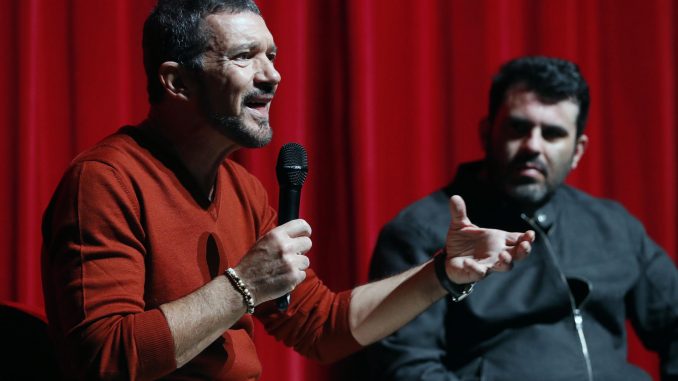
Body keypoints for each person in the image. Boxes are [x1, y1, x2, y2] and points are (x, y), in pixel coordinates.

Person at [39, 1, 535, 380]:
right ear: (177, 82)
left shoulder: (243, 189)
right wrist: (244, 286)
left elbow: (323, 328)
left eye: (272, 55)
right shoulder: (105, 180)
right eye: (244, 57)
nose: (272, 75)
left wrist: (443, 272)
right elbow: (102, 357)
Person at [365, 55, 678, 381]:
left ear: (578, 151)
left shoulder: (613, 225)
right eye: (518, 127)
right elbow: (407, 368)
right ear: (487, 134)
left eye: (553, 134)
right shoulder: (419, 233)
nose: (533, 146)